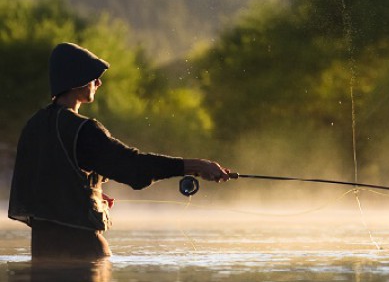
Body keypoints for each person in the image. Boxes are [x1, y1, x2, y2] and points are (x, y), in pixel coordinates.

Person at [7, 42, 231, 260]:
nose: (98, 83)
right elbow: (135, 169)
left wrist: (90, 193)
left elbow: (50, 179)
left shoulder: (33, 126)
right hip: (85, 251)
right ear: (77, 80)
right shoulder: (83, 130)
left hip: (42, 252)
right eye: (94, 78)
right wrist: (196, 166)